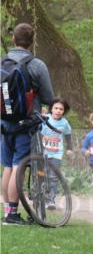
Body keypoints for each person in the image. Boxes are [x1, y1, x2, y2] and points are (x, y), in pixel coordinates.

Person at [2, 23, 56, 225]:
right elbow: (49, 97)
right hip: (26, 123)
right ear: (32, 42)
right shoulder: (37, 65)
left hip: (4, 122)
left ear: (13, 40)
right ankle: (12, 215)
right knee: (19, 166)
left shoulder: (2, 62)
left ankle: (8, 212)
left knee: (7, 167)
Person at [41, 98, 73, 209]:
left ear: (64, 111)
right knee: (42, 175)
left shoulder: (64, 123)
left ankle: (50, 200)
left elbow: (68, 135)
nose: (58, 111)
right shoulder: (45, 118)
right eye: (56, 108)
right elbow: (37, 131)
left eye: (61, 109)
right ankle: (40, 196)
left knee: (53, 177)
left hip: (56, 154)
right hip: (43, 153)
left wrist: (69, 148)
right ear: (51, 109)